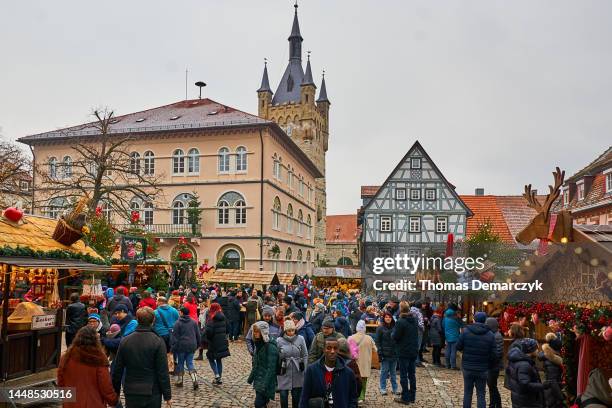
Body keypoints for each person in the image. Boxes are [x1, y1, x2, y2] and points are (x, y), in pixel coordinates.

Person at [112, 307, 172, 408]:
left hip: (132, 390)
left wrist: (115, 393)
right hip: (152, 391)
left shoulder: (125, 341)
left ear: (137, 320)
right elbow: (162, 371)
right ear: (153, 321)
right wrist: (167, 396)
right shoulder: (158, 341)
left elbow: (117, 370)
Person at [57, 326, 118, 408]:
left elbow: (61, 380)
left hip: (71, 403)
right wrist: (114, 400)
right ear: (95, 340)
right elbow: (105, 386)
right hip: (94, 403)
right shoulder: (99, 359)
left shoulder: (66, 357)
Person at [299, 337, 358, 408]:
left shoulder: (348, 373)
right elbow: (304, 397)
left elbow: (353, 399)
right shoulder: (312, 370)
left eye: (335, 348)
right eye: (329, 348)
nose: (332, 351)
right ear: (323, 350)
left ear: (338, 350)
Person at [456, 311, 497, 408]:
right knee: (481, 394)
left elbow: (458, 346)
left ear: (474, 320)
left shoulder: (466, 332)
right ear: (485, 321)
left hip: (468, 367)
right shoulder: (490, 335)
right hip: (482, 368)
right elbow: (494, 354)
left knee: (467, 393)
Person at [276, 319, 308, 408]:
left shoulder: (300, 339)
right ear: (285, 331)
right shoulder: (279, 340)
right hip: (284, 370)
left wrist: (305, 368)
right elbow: (276, 356)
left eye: (293, 330)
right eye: (289, 330)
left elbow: (305, 354)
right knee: (283, 396)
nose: (291, 332)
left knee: (296, 397)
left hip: (298, 370)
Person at [392, 301, 418, 405]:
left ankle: (405, 397)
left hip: (403, 351)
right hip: (413, 350)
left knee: (403, 374)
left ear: (401, 309)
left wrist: (392, 334)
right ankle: (412, 396)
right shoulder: (414, 320)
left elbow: (396, 336)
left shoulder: (401, 321)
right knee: (412, 374)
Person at [506, 338, 545, 408]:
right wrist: (542, 386)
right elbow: (525, 384)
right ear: (531, 350)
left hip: (520, 399)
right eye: (536, 348)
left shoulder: (519, 360)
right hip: (526, 401)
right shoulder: (524, 365)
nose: (538, 350)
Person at [247, 321, 279, 408]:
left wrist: (264, 384)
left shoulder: (271, 347)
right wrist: (251, 377)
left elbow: (271, 368)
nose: (255, 334)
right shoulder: (258, 344)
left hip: (266, 381)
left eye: (257, 331)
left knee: (258, 404)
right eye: (254, 331)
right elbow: (256, 364)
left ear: (263, 332)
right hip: (258, 379)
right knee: (261, 404)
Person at [171, 306, 201, 389]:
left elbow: (175, 337)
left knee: (180, 363)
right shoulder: (194, 322)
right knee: (190, 363)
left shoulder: (178, 323)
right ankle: (195, 380)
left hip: (181, 346)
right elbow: (198, 335)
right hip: (192, 345)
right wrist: (198, 344)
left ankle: (180, 381)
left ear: (181, 313)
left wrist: (173, 348)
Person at [349, 320, 377, 404]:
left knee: (354, 380)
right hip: (365, 363)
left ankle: (354, 396)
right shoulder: (369, 338)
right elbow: (375, 349)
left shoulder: (351, 338)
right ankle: (362, 397)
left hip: (354, 364)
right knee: (364, 381)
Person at [205, 302, 231, 385]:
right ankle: (219, 377)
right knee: (219, 359)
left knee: (210, 357)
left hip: (213, 342)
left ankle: (217, 375)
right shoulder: (224, 317)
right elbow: (228, 329)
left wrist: (207, 339)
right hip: (222, 341)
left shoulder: (211, 318)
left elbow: (209, 331)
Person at [538, 333, 564, 408]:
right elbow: (553, 381)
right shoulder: (552, 362)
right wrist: (561, 397)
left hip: (552, 391)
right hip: (552, 393)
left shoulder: (549, 356)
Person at [376, 311, 399, 395]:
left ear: (391, 318)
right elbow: (377, 341)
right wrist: (380, 352)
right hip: (385, 354)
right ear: (384, 318)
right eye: (386, 317)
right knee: (384, 372)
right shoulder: (380, 328)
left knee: (393, 372)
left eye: (389, 317)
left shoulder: (395, 327)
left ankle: (395, 388)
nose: (388, 318)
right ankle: (383, 388)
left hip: (394, 353)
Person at [486, 317, 504, 408]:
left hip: (494, 366)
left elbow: (498, 353)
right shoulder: (493, 334)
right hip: (491, 365)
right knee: (491, 386)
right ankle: (493, 404)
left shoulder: (497, 335)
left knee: (492, 386)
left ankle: (496, 404)